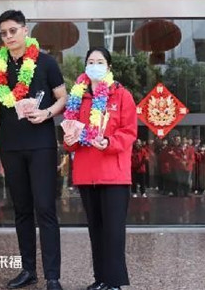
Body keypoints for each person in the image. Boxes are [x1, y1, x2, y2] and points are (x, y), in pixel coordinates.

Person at [0, 10, 68, 290]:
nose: (8, 37)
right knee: (21, 210)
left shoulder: (46, 62)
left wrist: (47, 113)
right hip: (11, 145)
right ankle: (28, 270)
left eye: (12, 31)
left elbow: (63, 98)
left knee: (45, 209)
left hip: (41, 144)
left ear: (25, 30)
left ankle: (52, 276)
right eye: (3, 33)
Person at [63, 47, 137, 290]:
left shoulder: (121, 95)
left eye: (100, 62)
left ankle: (114, 282)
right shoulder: (78, 97)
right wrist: (69, 139)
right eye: (91, 61)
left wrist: (109, 142)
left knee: (113, 231)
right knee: (96, 230)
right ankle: (101, 279)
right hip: (87, 174)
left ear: (109, 67)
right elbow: (70, 137)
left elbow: (129, 132)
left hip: (114, 174)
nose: (95, 66)